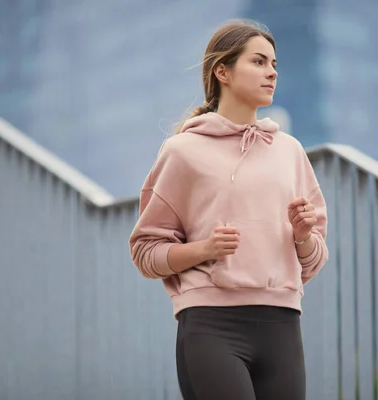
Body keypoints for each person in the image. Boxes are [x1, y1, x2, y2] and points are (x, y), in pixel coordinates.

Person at [128, 20, 329, 400]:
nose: (271, 72)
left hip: (283, 325)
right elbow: (145, 252)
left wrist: (303, 237)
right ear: (223, 71)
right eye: (258, 61)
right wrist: (204, 249)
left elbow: (313, 261)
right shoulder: (182, 151)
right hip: (210, 325)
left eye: (274, 64)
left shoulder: (290, 152)